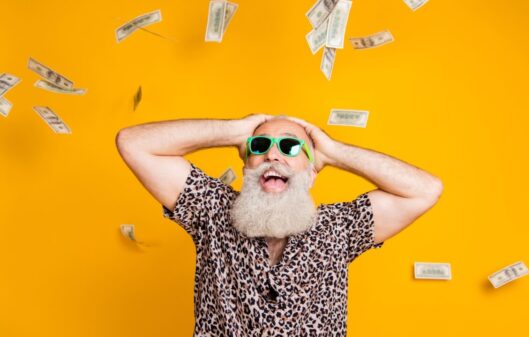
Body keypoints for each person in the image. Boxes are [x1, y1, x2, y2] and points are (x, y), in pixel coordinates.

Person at [115, 114, 443, 337]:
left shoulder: (338, 228)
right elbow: (133, 143)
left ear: (312, 171)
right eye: (260, 146)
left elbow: (425, 189)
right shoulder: (213, 211)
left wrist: (333, 150)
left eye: (289, 147)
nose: (274, 155)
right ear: (247, 166)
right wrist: (235, 130)